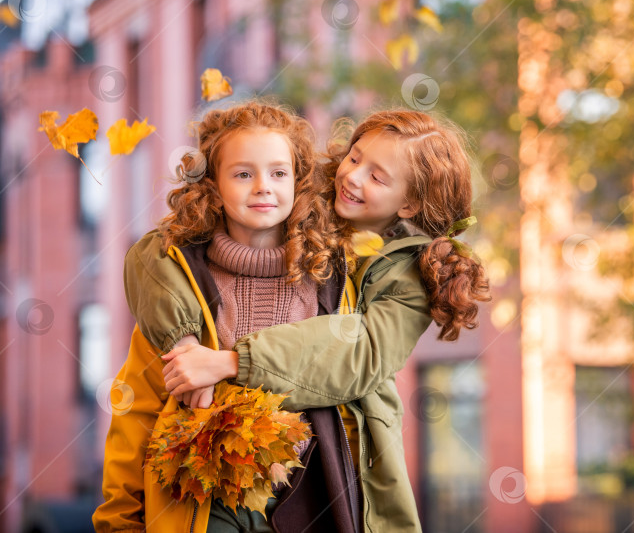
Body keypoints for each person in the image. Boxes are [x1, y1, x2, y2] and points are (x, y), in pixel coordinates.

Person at [121, 109, 491, 532]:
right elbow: (151, 253)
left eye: (377, 176)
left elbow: (357, 349)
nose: (352, 177)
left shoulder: (396, 275)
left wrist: (226, 363)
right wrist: (184, 342)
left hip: (322, 488)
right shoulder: (295, 217)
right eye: (354, 158)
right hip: (205, 495)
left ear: (407, 202)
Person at [92, 100, 359, 533]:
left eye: (278, 172)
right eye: (242, 173)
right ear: (212, 185)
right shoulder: (179, 290)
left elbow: (355, 399)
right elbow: (136, 410)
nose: (262, 187)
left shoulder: (330, 284)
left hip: (311, 501)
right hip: (200, 506)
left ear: (299, 181)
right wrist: (119, 522)